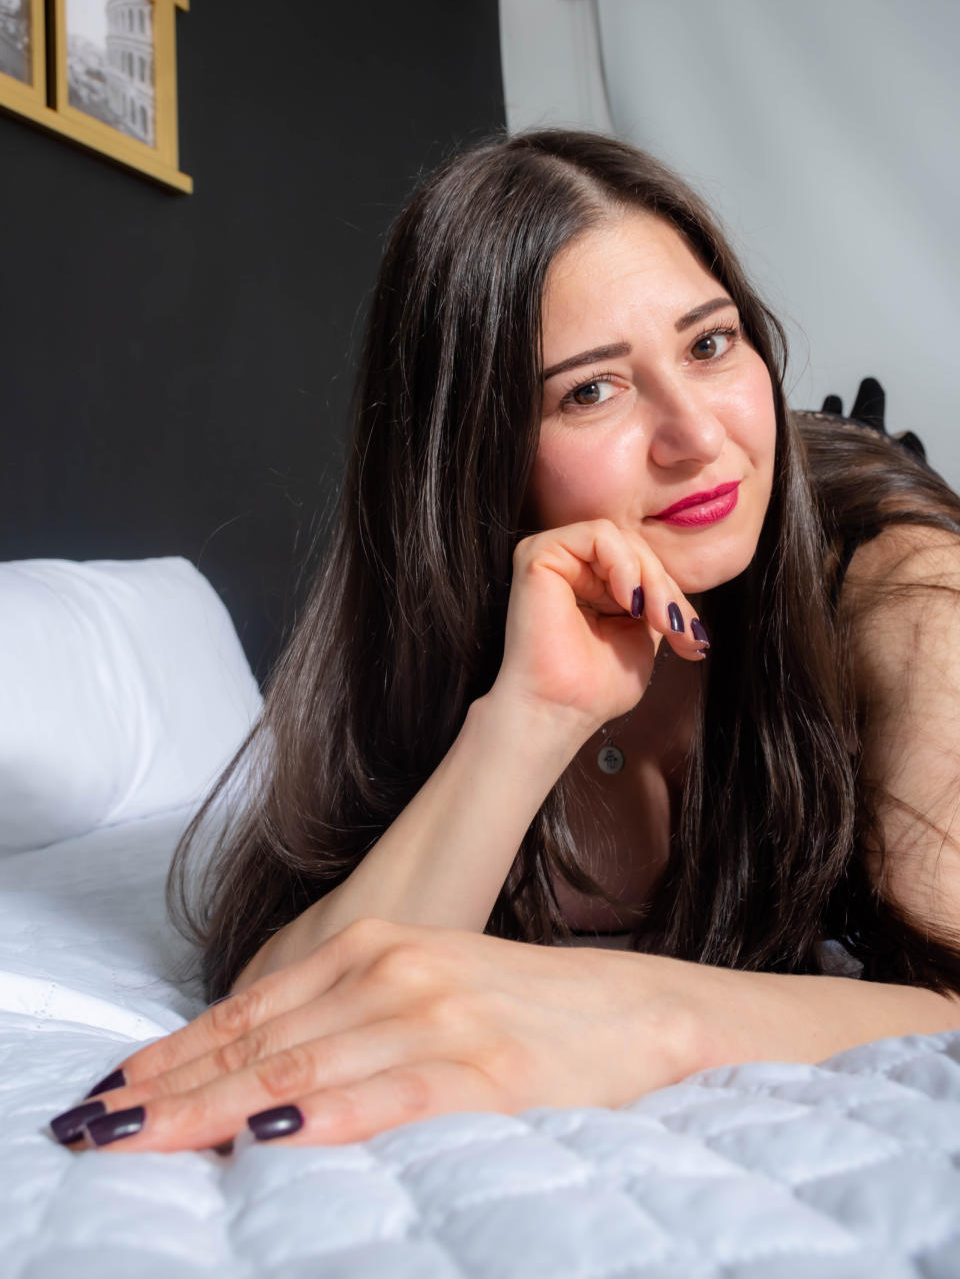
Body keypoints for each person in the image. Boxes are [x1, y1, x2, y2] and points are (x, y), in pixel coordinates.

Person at [50, 130, 960, 1154]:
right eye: (590, 390)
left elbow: (949, 998)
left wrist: (641, 1013)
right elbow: (294, 999)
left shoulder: (906, 586)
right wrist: (533, 715)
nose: (698, 436)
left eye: (709, 345)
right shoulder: (445, 634)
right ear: (476, 456)